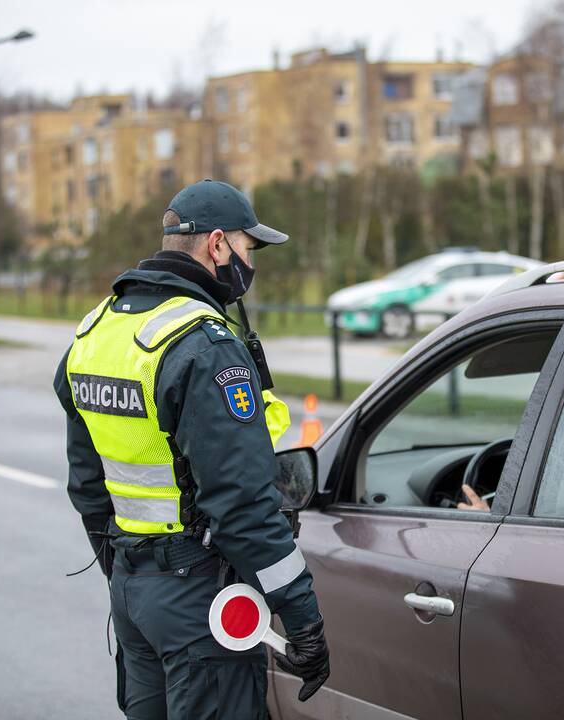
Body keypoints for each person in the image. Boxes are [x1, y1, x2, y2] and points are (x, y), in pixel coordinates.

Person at [53, 179, 329, 719]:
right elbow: (244, 507)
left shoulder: (97, 331)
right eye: (250, 249)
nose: (252, 265)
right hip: (196, 599)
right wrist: (303, 619)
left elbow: (87, 483)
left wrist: (126, 573)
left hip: (133, 593)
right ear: (218, 244)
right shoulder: (203, 345)